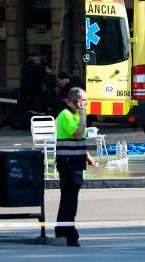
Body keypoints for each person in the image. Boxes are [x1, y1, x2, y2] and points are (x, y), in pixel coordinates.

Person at [55, 87, 96, 246]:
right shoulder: (66, 115)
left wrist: (87, 156)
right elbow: (78, 134)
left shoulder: (75, 115)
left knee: (70, 198)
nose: (86, 103)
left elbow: (79, 140)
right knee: (69, 199)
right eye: (84, 100)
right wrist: (84, 114)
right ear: (75, 101)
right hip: (68, 163)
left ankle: (63, 230)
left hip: (76, 161)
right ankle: (69, 233)